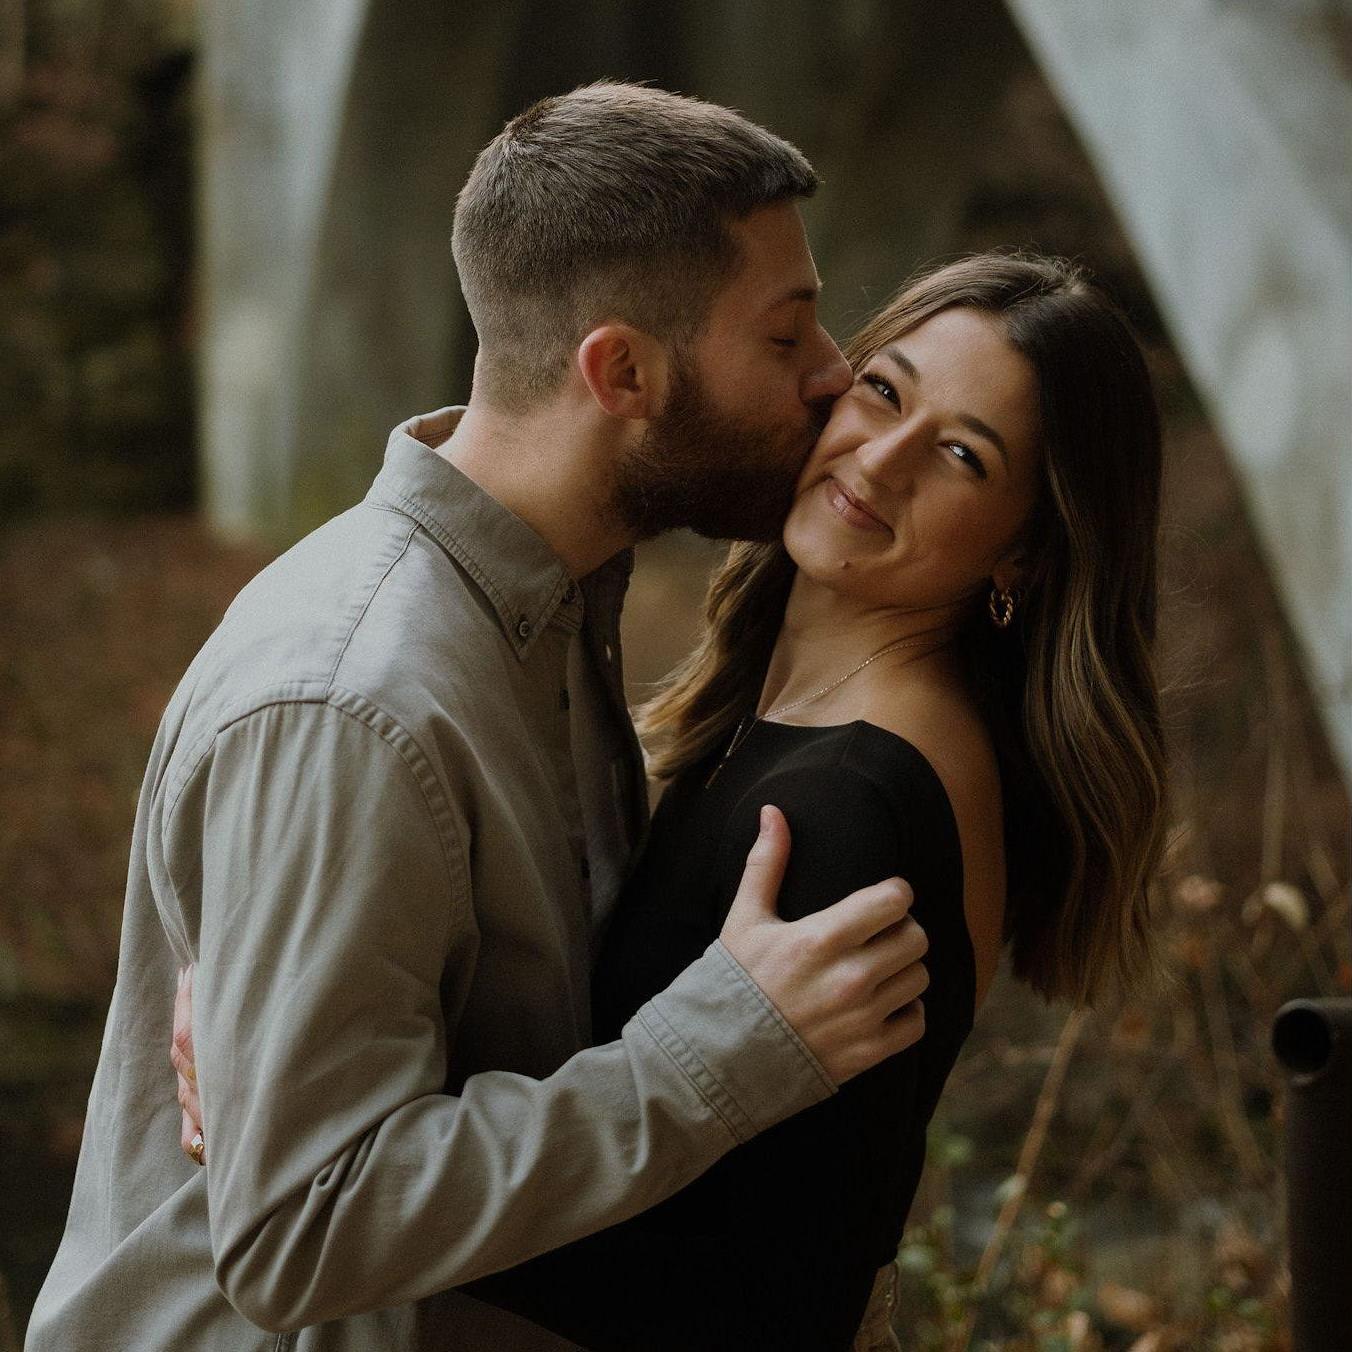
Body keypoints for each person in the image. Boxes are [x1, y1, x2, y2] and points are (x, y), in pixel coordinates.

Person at [25, 85, 932, 1352]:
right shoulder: (355, 702)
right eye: (785, 338)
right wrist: (722, 1051)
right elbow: (298, 1230)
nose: (831, 375)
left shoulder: (552, 610)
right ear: (619, 370)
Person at [444, 251, 1171, 1349]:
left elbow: (756, 1289)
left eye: (962, 455)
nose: (879, 461)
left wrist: (333, 1117)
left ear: (1022, 548)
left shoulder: (846, 811)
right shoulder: (815, 728)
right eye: (884, 389)